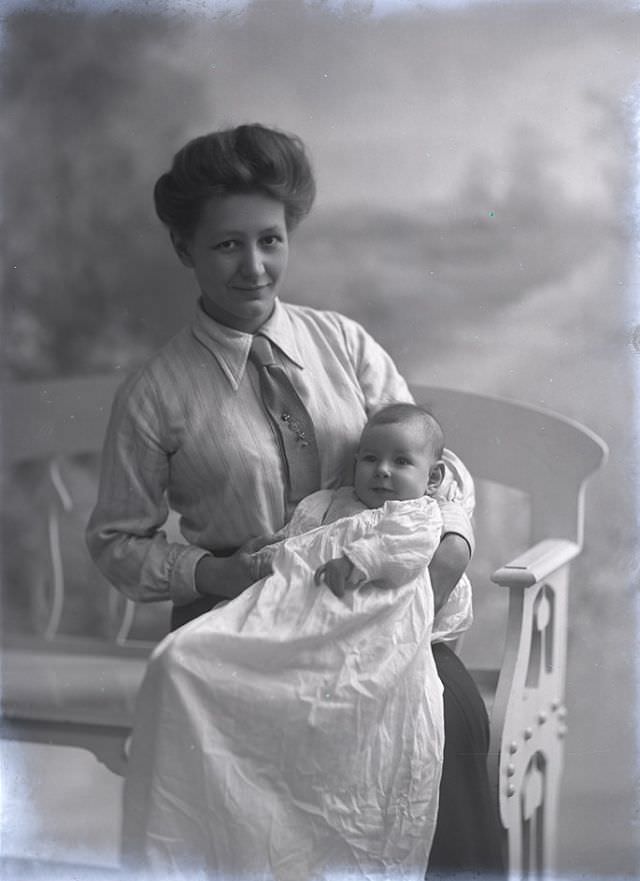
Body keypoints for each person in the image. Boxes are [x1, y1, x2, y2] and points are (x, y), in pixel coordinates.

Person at [86, 122, 503, 875]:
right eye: (226, 245)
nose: (254, 267)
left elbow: (434, 467)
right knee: (205, 712)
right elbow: (117, 541)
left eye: (271, 240)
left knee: (451, 712)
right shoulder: (156, 393)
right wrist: (215, 574)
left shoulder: (342, 344)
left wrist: (451, 548)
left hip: (375, 605)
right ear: (185, 249)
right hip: (246, 621)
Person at [122, 403, 464, 878]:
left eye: (401, 462)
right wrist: (265, 553)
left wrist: (360, 559)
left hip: (365, 622)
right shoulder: (326, 505)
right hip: (298, 617)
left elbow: (406, 548)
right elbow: (296, 548)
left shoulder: (415, 514)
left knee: (338, 699)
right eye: (369, 459)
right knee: (184, 658)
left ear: (433, 477)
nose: (382, 472)